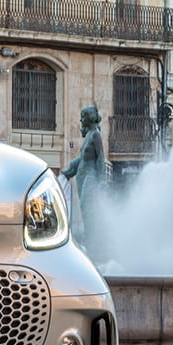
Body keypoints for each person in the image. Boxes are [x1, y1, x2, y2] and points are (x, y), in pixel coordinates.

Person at [61, 105, 107, 246]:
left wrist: (102, 180)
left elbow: (101, 158)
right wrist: (71, 170)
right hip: (82, 175)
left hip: (90, 176)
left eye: (83, 117)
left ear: (89, 117)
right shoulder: (88, 135)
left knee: (88, 208)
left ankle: (92, 239)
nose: (81, 120)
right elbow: (83, 158)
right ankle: (89, 238)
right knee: (84, 208)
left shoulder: (95, 135)